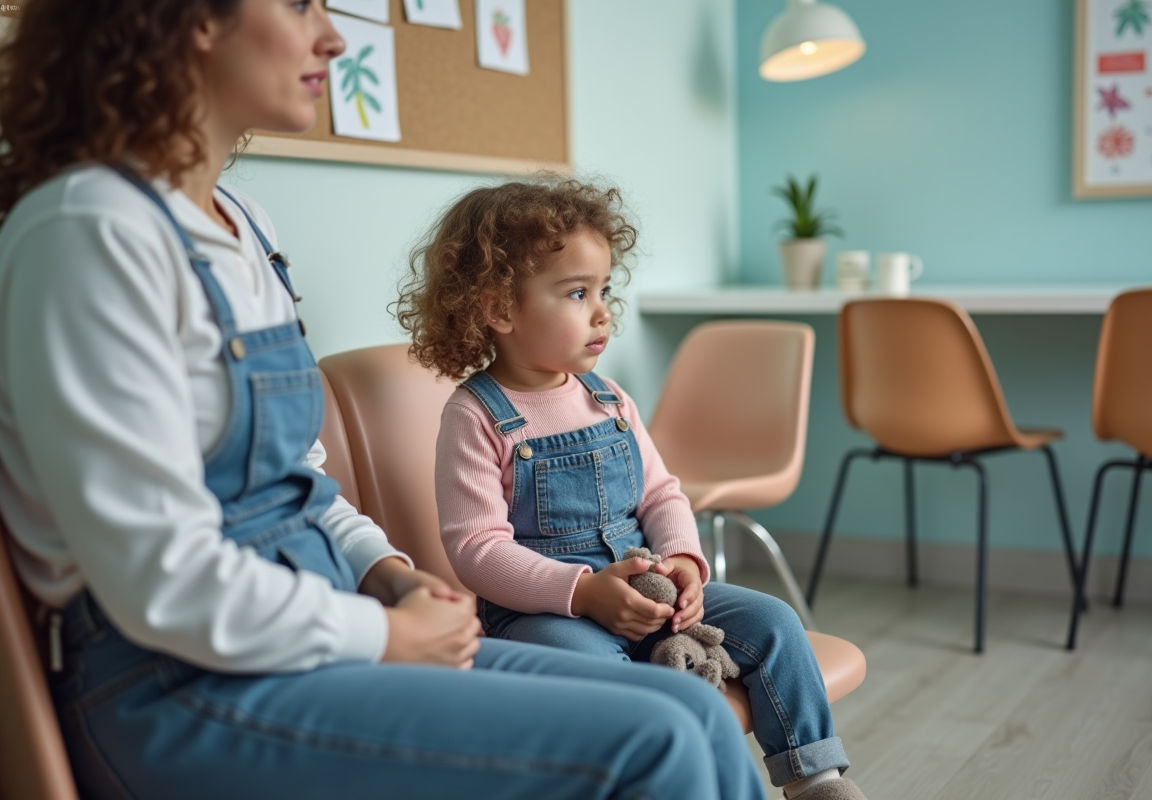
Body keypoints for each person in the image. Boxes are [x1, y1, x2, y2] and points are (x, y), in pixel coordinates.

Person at [0, 2, 770, 798]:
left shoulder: (244, 228)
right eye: (300, 5)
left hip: (313, 624)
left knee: (695, 711)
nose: (331, 37)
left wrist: (387, 575)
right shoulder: (87, 231)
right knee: (655, 743)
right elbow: (158, 579)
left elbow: (297, 483)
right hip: (181, 686)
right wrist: (381, 633)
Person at [396, 180, 869, 800]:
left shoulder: (608, 399)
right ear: (499, 310)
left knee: (776, 622)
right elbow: (478, 550)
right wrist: (583, 592)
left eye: (604, 290)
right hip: (547, 609)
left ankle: (816, 779)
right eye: (576, 292)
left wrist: (681, 562)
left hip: (647, 587)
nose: (602, 312)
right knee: (586, 671)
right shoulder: (476, 415)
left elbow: (662, 495)